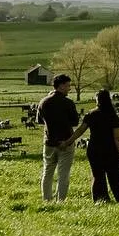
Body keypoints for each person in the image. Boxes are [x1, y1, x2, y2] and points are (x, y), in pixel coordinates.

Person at [65, 88, 119, 204]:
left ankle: (100, 200)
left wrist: (68, 141)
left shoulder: (91, 114)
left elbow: (80, 131)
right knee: (115, 176)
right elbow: (117, 138)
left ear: (97, 100)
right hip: (110, 150)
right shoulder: (113, 116)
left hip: (94, 149)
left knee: (98, 176)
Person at [37, 74, 80, 202]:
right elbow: (75, 122)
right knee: (63, 174)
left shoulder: (43, 102)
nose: (69, 89)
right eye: (68, 86)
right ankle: (60, 200)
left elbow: (39, 121)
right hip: (65, 142)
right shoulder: (68, 103)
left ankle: (47, 199)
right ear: (61, 86)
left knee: (47, 171)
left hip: (49, 142)